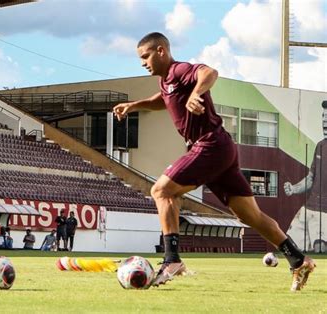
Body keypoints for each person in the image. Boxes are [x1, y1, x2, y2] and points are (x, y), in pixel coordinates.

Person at [112, 32, 315, 291]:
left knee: (161, 190)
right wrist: (133, 105)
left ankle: (172, 260)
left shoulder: (179, 70)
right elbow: (162, 100)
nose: (142, 62)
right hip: (221, 149)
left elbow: (210, 72)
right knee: (250, 215)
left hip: (209, 145)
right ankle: (298, 259)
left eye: (145, 56)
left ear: (161, 50)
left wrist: (197, 93)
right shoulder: (167, 82)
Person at [284, 101, 327, 253]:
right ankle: (296, 268)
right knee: (289, 243)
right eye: (323, 116)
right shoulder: (320, 146)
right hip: (309, 207)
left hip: (325, 212)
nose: (324, 120)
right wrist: (294, 189)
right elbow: (310, 178)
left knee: (320, 248)